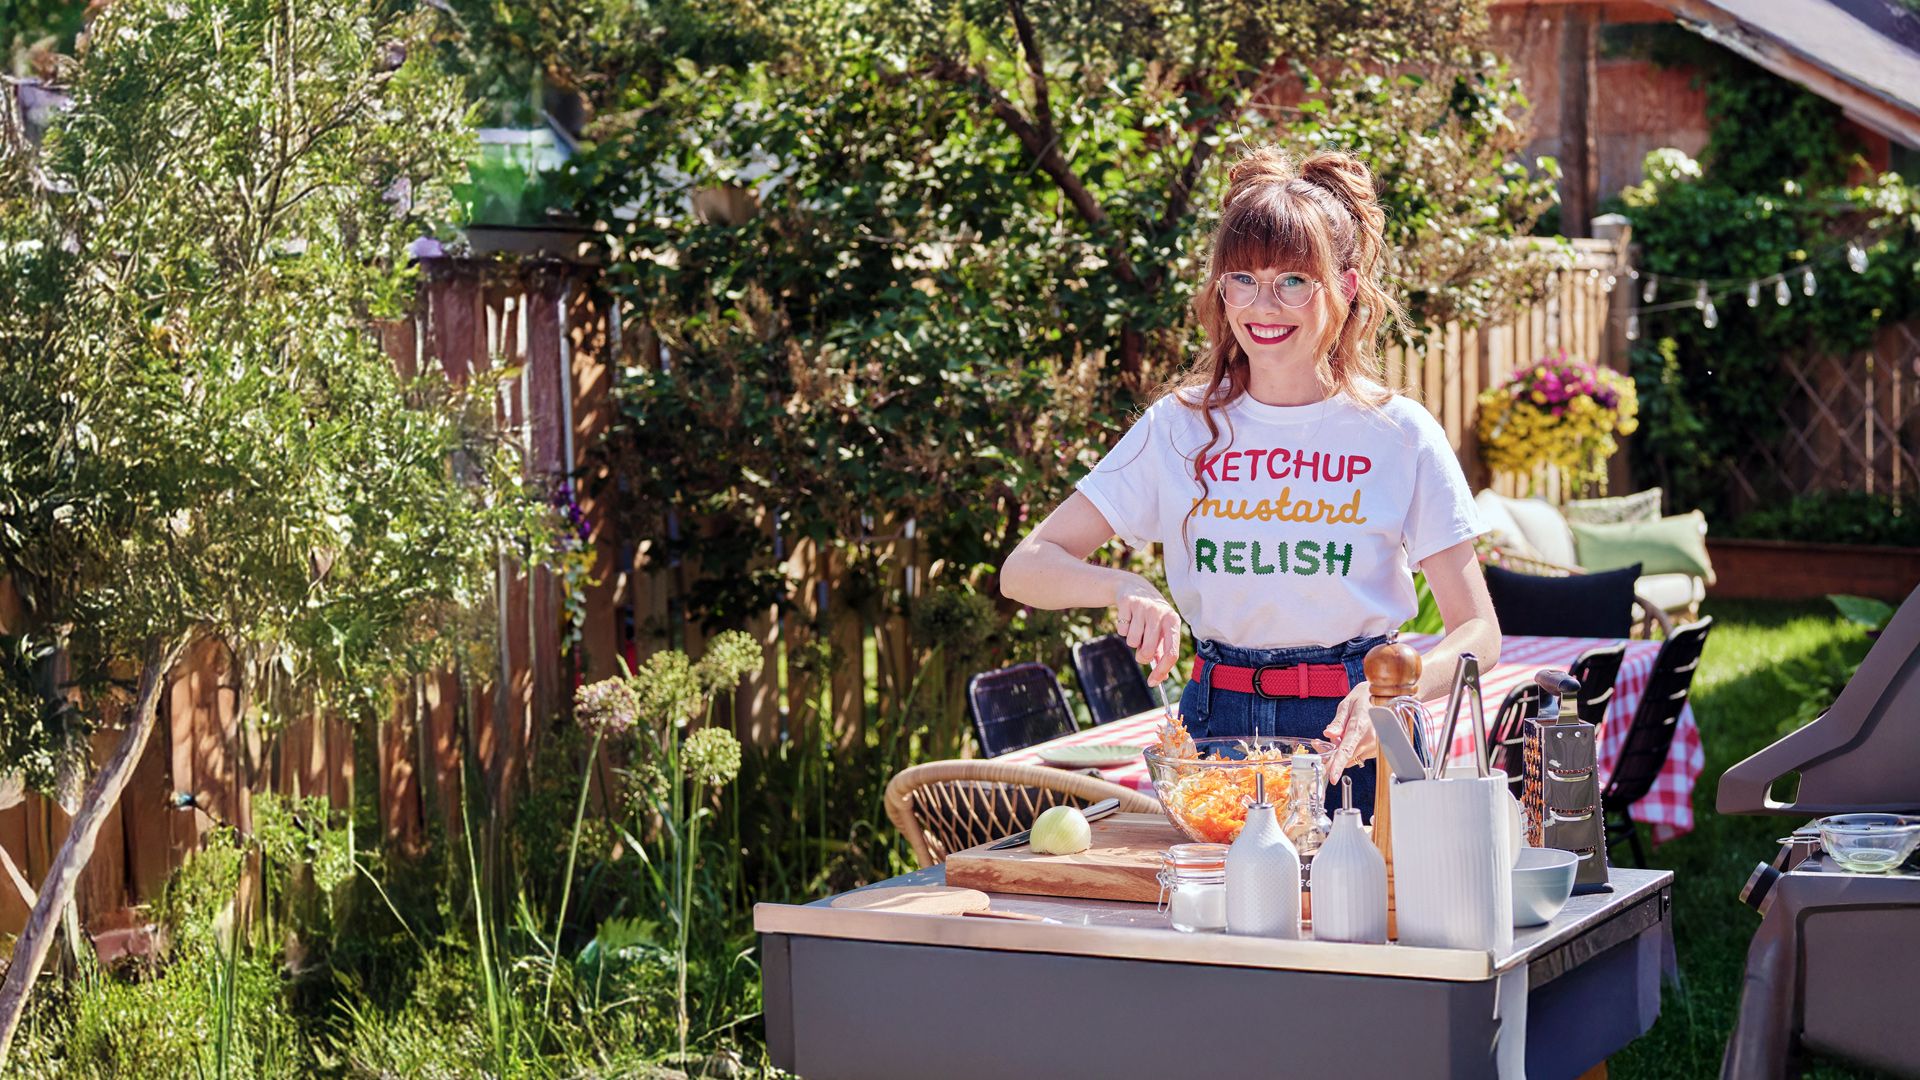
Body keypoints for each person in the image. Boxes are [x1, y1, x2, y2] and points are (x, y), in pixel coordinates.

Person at [999, 145, 1500, 816]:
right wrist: (1123, 586)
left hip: (1356, 728)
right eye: (1242, 279)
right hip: (1215, 724)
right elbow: (1026, 568)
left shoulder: (1399, 432)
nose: (1264, 306)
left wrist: (1396, 691)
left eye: (1293, 281)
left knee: (1365, 887)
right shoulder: (1178, 426)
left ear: (1347, 286)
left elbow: (1479, 633)